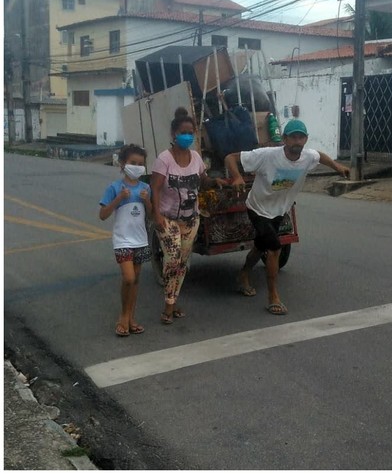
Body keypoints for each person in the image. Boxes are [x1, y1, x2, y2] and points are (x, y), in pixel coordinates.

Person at [225, 119, 350, 315]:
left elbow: (320, 157)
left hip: (278, 210)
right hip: (257, 208)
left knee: (260, 246)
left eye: (301, 137)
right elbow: (230, 158)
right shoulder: (266, 156)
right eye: (293, 137)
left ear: (306, 139)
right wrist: (237, 177)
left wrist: (338, 167)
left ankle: (243, 274)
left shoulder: (307, 156)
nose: (297, 142)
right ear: (284, 139)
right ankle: (273, 297)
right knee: (274, 248)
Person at [151, 107, 224, 325]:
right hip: (168, 218)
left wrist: (215, 181)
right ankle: (168, 306)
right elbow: (154, 188)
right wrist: (156, 215)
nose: (188, 136)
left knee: (183, 262)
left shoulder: (196, 157)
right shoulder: (164, 159)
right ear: (174, 134)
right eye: (184, 132)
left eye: (191, 132)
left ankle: (172, 301)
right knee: (172, 259)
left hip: (191, 219)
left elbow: (203, 179)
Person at [99, 144, 153, 337]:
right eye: (133, 163)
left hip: (140, 240)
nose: (137, 166)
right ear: (122, 164)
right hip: (123, 241)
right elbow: (103, 214)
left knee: (136, 280)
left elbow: (152, 215)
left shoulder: (146, 188)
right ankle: (123, 315)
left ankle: (131, 317)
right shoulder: (114, 188)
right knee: (128, 278)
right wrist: (119, 198)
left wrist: (147, 201)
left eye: (141, 164)